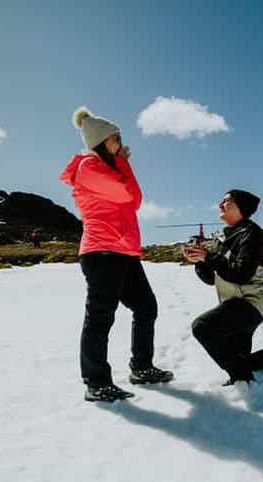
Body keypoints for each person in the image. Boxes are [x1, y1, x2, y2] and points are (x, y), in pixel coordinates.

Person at [59, 107, 173, 403]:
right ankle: (96, 382)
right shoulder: (89, 167)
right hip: (102, 251)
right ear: (100, 141)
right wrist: (122, 162)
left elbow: (133, 200)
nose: (121, 143)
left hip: (122, 250)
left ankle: (142, 367)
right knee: (100, 317)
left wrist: (120, 162)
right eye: (116, 138)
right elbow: (130, 196)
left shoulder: (108, 168)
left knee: (146, 307)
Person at [183, 189, 263, 385]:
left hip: (249, 303)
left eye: (226, 201)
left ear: (241, 206)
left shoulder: (251, 234)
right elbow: (212, 279)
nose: (220, 205)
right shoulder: (227, 238)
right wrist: (199, 261)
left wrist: (208, 256)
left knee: (202, 327)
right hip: (234, 304)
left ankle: (243, 380)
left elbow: (241, 274)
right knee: (242, 361)